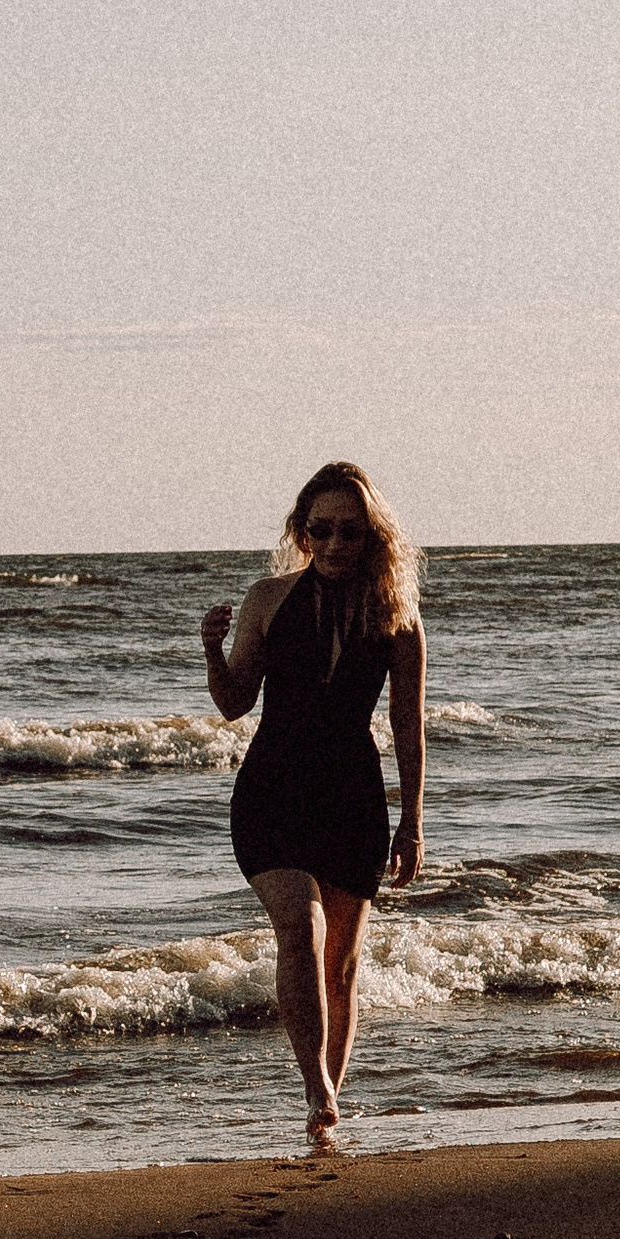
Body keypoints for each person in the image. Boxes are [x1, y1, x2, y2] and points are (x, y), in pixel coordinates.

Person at [202, 461, 425, 1141]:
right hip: (273, 787)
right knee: (299, 924)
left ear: (372, 537)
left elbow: (410, 727)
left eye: (349, 531)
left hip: (352, 795)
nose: (334, 543)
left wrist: (413, 821)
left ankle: (324, 1118)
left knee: (344, 964)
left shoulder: (397, 617)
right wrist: (211, 651)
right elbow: (236, 702)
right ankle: (317, 1089)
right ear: (303, 532)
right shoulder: (268, 599)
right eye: (320, 529)